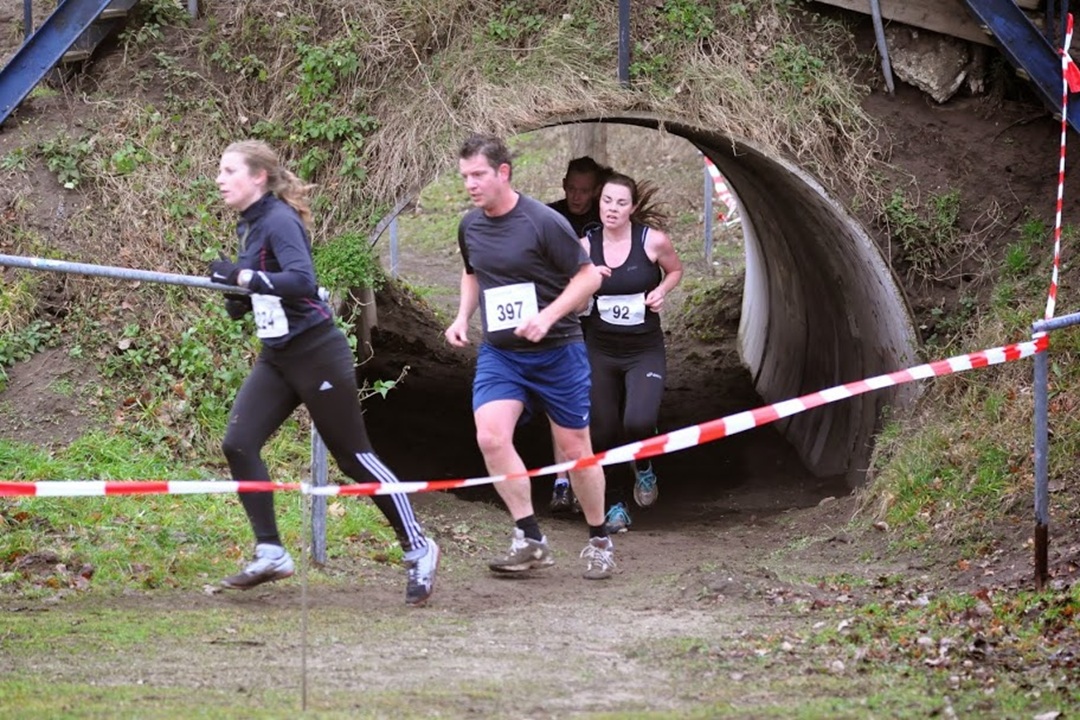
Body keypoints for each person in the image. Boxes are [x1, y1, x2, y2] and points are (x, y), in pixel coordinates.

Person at [209, 139, 439, 605]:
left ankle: (418, 546)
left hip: (317, 352)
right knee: (238, 442)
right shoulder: (249, 227)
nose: (219, 179)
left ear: (257, 177)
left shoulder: (278, 220)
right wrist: (236, 294)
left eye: (228, 170)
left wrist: (246, 279)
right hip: (277, 355)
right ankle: (271, 550)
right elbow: (262, 293)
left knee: (354, 457)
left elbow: (302, 281)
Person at [444, 133, 616, 580]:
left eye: (478, 174)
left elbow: (587, 278)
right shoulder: (470, 226)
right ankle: (529, 537)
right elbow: (472, 275)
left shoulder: (543, 222)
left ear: (503, 172)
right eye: (465, 176)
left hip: (558, 350)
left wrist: (548, 314)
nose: (471, 184)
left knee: (577, 451)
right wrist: (462, 317)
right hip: (502, 354)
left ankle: (599, 538)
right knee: (491, 438)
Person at [581, 172, 683, 534]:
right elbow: (569, 293)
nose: (613, 208)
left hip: (643, 349)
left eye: (621, 203)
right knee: (603, 430)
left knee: (637, 422)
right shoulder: (585, 246)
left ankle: (644, 467)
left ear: (633, 208)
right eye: (607, 200)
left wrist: (662, 291)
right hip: (600, 349)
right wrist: (588, 281)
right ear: (599, 202)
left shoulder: (652, 241)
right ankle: (617, 505)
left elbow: (674, 270)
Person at [546, 155, 609, 514]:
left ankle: (598, 471)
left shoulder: (610, 216)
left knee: (598, 399)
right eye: (571, 188)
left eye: (584, 191)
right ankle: (560, 482)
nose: (576, 196)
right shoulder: (550, 217)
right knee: (560, 398)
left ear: (597, 191)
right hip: (562, 318)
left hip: (603, 323)